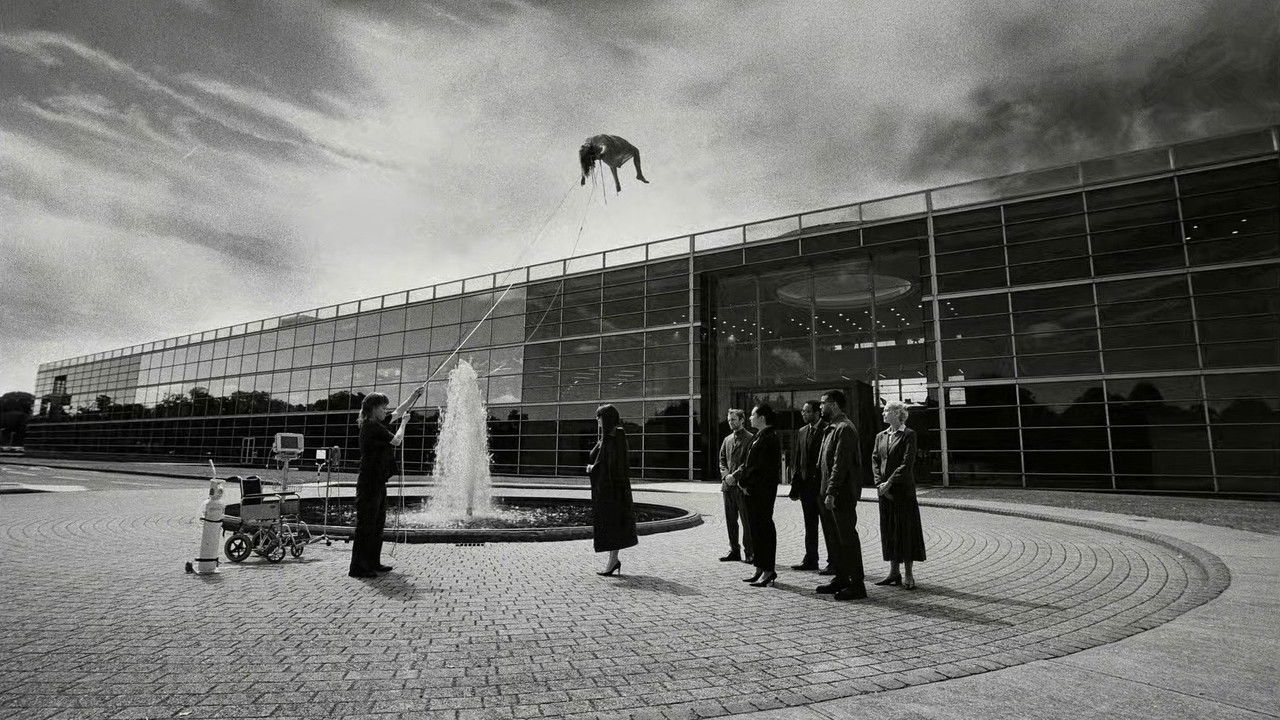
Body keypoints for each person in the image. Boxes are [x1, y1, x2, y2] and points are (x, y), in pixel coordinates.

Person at [349, 388, 420, 579]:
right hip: (369, 483)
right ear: (373, 408)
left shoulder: (377, 423)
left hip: (378, 481)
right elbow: (396, 441)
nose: (386, 411)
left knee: (377, 523)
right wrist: (404, 423)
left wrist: (413, 396)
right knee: (366, 525)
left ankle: (373, 562)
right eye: (383, 407)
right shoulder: (372, 426)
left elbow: (398, 411)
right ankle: (358, 567)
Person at [816, 389, 867, 600]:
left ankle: (857, 585)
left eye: (823, 403)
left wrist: (832, 491)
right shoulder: (831, 428)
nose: (820, 407)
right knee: (835, 539)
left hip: (841, 494)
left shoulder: (844, 428)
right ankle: (841, 578)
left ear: (834, 404)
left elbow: (840, 464)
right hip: (830, 494)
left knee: (847, 539)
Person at [873, 401, 925, 590]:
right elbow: (875, 459)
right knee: (889, 530)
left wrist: (889, 483)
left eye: (886, 410)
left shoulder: (909, 435)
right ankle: (894, 572)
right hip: (884, 492)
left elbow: (907, 463)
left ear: (897, 413)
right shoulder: (880, 436)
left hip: (902, 491)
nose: (883, 413)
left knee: (905, 530)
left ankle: (909, 574)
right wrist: (879, 483)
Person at [587, 404, 638, 575]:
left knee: (613, 524)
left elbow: (613, 465)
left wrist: (593, 468)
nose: (597, 420)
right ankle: (613, 561)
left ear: (606, 418)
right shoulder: (609, 436)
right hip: (609, 489)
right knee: (610, 524)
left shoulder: (616, 436)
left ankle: (613, 561)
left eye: (599, 417)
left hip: (614, 491)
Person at [737, 403, 782, 587]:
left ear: (762, 418)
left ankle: (769, 570)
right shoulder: (758, 436)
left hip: (762, 492)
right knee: (755, 529)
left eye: (752, 415)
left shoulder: (770, 438)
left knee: (764, 529)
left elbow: (762, 469)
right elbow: (748, 464)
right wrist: (743, 482)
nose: (750, 418)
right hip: (751, 491)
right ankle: (759, 567)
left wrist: (747, 483)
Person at [788, 400, 827, 571]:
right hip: (806, 489)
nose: (803, 414)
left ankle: (833, 562)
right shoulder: (802, 431)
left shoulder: (827, 429)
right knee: (810, 526)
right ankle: (811, 560)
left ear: (817, 413)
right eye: (802, 411)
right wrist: (795, 486)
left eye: (807, 411)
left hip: (822, 488)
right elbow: (798, 461)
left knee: (828, 526)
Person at [717, 409, 754, 563]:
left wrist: (735, 476)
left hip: (742, 487)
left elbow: (748, 462)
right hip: (728, 487)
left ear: (741, 420)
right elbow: (722, 460)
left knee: (747, 522)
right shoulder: (727, 440)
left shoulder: (750, 438)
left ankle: (750, 552)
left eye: (733, 419)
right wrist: (726, 476)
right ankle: (734, 551)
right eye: (729, 420)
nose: (730, 422)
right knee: (730, 520)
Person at [579, 134, 650, 192]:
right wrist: (583, 177)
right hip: (607, 144)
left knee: (635, 151)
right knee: (610, 161)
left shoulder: (601, 143)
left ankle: (639, 175)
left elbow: (605, 147)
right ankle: (618, 182)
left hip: (615, 143)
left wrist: (602, 153)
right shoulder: (586, 145)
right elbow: (584, 161)